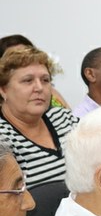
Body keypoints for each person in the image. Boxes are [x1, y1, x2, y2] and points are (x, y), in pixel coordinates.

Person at [0, 46, 77, 188]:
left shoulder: (64, 118)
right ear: (3, 90)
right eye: (28, 80)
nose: (39, 88)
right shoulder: (3, 137)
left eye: (45, 80)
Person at [0, 35, 69, 109]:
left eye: (28, 55)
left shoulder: (50, 93)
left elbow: (70, 113)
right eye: (15, 58)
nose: (39, 88)